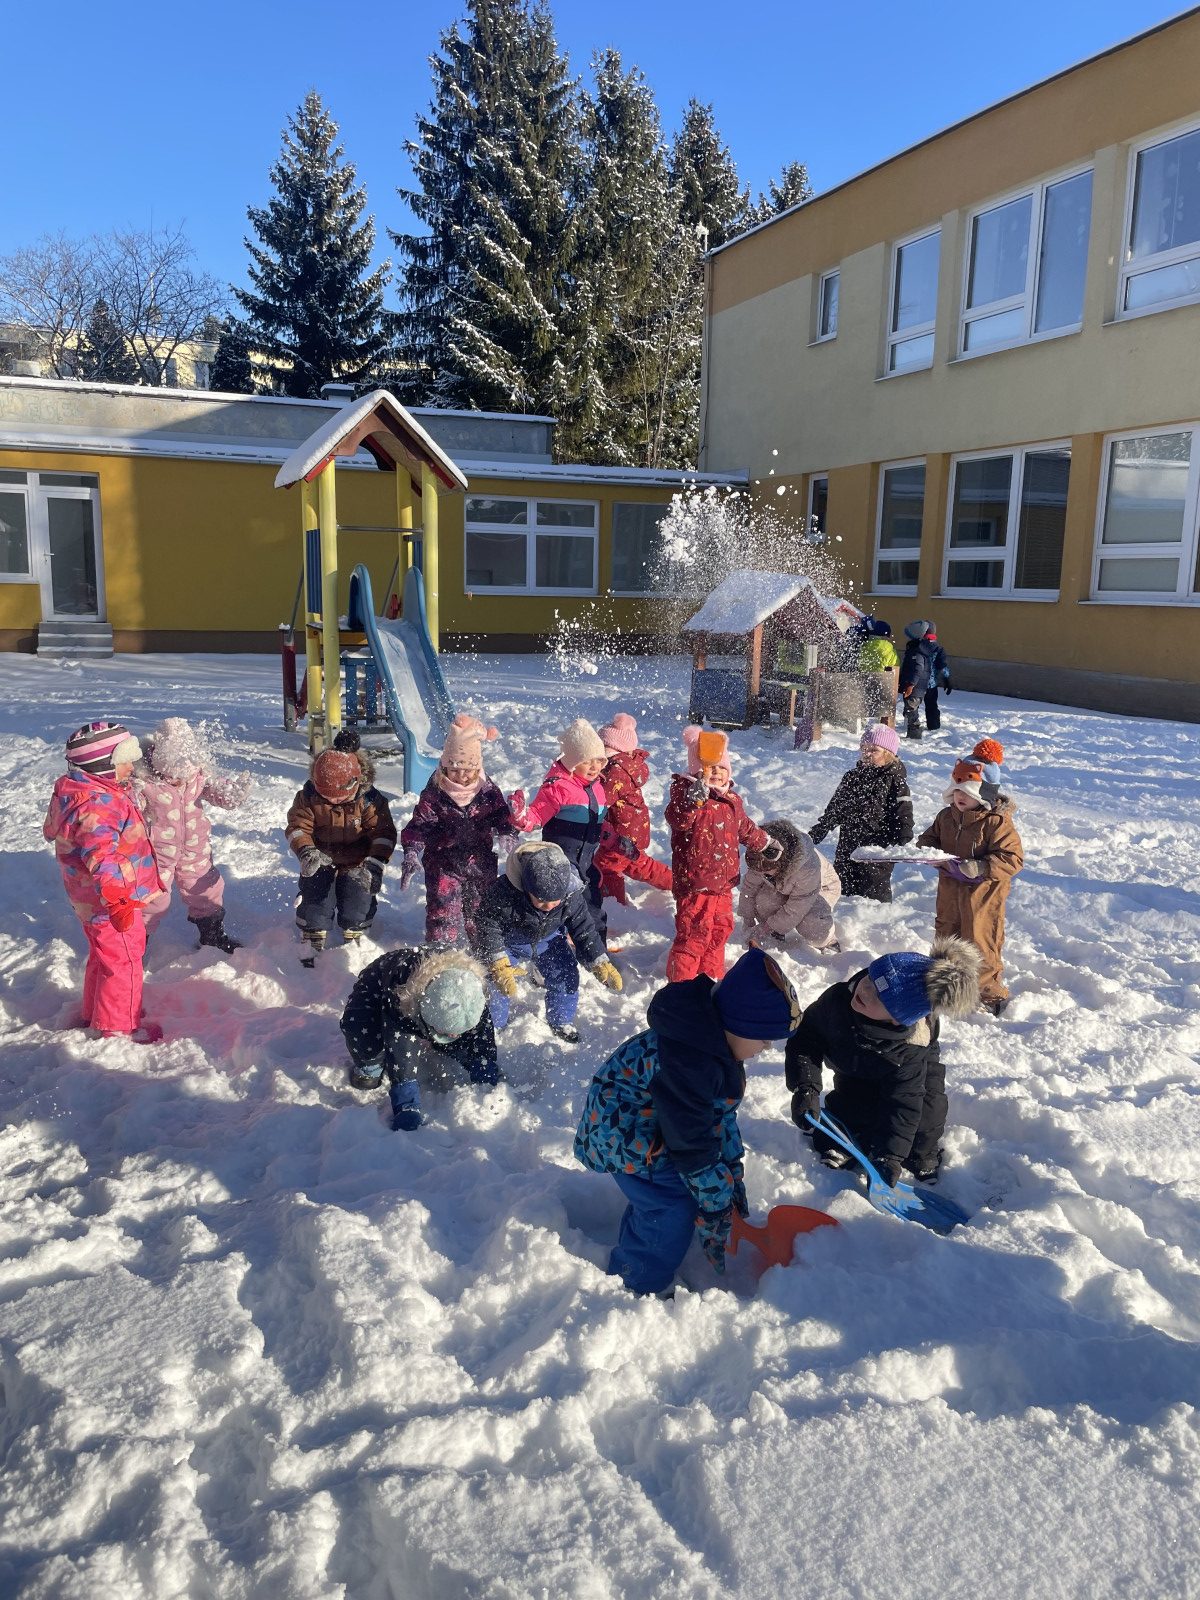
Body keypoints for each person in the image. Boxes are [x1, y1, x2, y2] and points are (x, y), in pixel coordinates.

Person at [574, 946, 801, 1296]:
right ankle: (639, 1280)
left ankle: (646, 1226)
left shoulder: (711, 1043)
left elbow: (717, 1118)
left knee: (669, 1195)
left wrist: (730, 1176)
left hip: (655, 1128)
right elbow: (693, 1146)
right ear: (738, 1025)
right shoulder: (689, 1063)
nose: (766, 1048)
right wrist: (714, 1198)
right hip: (625, 1137)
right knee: (672, 1204)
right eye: (764, 1038)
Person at [785, 938, 980, 1185]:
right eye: (869, 979)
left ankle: (921, 1155)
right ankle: (843, 1142)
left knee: (926, 1112)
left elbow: (903, 1103)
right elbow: (805, 1039)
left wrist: (890, 1156)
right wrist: (805, 1087)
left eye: (880, 996)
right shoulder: (837, 1001)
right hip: (855, 1060)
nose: (864, 991)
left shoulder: (912, 1047)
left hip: (908, 1066)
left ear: (897, 1018)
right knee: (854, 1102)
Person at [43, 721, 164, 1042]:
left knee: (105, 956)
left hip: (95, 900)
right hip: (111, 901)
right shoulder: (97, 805)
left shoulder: (85, 792)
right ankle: (118, 1028)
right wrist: (118, 900)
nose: (131, 767)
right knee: (124, 960)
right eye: (124, 761)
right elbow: (102, 859)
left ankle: (96, 1012)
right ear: (101, 766)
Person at [473, 840, 623, 1044]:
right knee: (497, 981)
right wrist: (497, 960)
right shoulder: (504, 892)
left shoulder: (571, 895)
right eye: (541, 901)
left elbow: (583, 929)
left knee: (566, 974)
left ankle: (561, 1020)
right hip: (510, 942)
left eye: (555, 901)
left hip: (549, 940)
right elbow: (487, 923)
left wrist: (598, 959)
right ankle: (493, 1024)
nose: (549, 906)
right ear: (526, 888)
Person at [664, 726, 778, 982]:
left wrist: (764, 842)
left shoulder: (732, 800)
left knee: (719, 931)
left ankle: (711, 978)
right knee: (694, 935)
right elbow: (678, 819)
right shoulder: (685, 794)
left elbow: (744, 827)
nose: (716, 772)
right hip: (696, 883)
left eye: (721, 767)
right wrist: (692, 801)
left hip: (724, 884)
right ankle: (680, 986)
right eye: (709, 767)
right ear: (696, 770)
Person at [341, 946, 498, 1131]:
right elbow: (400, 1047)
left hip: (437, 1001)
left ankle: (451, 1044)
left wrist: (485, 1068)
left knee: (459, 1037)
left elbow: (482, 1034)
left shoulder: (471, 993)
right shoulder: (402, 1000)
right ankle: (370, 1063)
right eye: (442, 1031)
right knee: (360, 1027)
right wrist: (406, 1103)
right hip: (379, 989)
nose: (452, 1036)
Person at [915, 759, 1023, 1017]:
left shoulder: (996, 822)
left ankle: (988, 993)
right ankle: (944, 986)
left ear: (983, 796)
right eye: (957, 790)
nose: (960, 797)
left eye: (967, 792)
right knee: (946, 934)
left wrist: (982, 866)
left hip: (983, 896)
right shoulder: (946, 816)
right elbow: (928, 839)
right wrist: (928, 851)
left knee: (980, 940)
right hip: (950, 891)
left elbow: (1013, 859)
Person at [399, 714, 518, 947]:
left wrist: (507, 831)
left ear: (477, 768)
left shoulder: (487, 791)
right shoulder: (435, 793)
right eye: (454, 769)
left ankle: (486, 949)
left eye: (468, 770)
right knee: (443, 909)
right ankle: (442, 949)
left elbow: (501, 815)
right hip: (443, 862)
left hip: (479, 860)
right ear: (444, 767)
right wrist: (411, 852)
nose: (461, 776)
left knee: (483, 908)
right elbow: (419, 825)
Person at [133, 717, 249, 953]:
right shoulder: (145, 782)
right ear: (158, 763)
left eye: (184, 775)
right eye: (172, 776)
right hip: (157, 853)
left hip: (194, 849)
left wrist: (232, 793)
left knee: (205, 890)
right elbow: (131, 807)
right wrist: (130, 800)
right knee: (152, 899)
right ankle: (135, 943)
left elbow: (217, 792)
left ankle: (212, 934)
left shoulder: (198, 775)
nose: (179, 781)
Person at [286, 747, 397, 964]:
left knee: (358, 895)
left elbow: (383, 833)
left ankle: (356, 929)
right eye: (327, 796)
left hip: (358, 860)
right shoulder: (308, 798)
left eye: (340, 797)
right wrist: (306, 851)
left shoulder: (370, 800)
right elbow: (297, 827)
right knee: (315, 893)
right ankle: (313, 932)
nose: (333, 801)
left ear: (355, 783)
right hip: (321, 856)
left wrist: (375, 862)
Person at [511, 718, 609, 946]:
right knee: (560, 909)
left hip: (586, 863)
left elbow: (599, 821)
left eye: (598, 760)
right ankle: (553, 949)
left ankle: (597, 951)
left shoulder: (597, 786)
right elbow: (536, 816)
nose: (594, 767)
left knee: (592, 906)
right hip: (561, 863)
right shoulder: (558, 787)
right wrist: (521, 816)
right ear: (573, 762)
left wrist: (611, 837)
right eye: (586, 761)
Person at [808, 724, 913, 902]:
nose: (867, 753)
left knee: (874, 889)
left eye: (874, 750)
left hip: (877, 848)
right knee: (842, 886)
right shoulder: (851, 778)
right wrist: (821, 828)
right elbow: (836, 808)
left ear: (889, 754)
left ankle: (877, 915)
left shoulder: (895, 782)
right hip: (848, 844)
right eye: (864, 748)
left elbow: (903, 813)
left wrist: (903, 837)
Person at [590, 713, 672, 909]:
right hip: (631, 829)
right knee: (637, 864)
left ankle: (613, 905)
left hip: (622, 833)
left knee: (606, 866)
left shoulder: (616, 771)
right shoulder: (625, 765)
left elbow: (601, 800)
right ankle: (673, 881)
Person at [739, 819, 841, 953]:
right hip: (785, 887)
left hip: (821, 888)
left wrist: (767, 927)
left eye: (765, 871)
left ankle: (827, 943)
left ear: (781, 863)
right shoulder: (764, 853)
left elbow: (797, 907)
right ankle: (776, 933)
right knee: (764, 901)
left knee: (811, 922)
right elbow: (749, 888)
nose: (761, 873)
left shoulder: (808, 868)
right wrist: (747, 918)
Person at [899, 620, 952, 739]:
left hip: (917, 683)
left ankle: (910, 724)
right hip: (931, 684)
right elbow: (942, 665)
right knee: (932, 705)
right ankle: (934, 726)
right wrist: (947, 678)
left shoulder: (918, 646)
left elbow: (916, 666)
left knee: (913, 705)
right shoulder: (938, 648)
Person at [857, 618, 900, 724]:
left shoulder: (864, 646)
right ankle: (880, 724)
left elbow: (859, 663)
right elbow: (896, 665)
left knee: (865, 701)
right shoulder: (889, 649)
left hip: (864, 682)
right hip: (882, 684)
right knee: (881, 704)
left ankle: (862, 722)